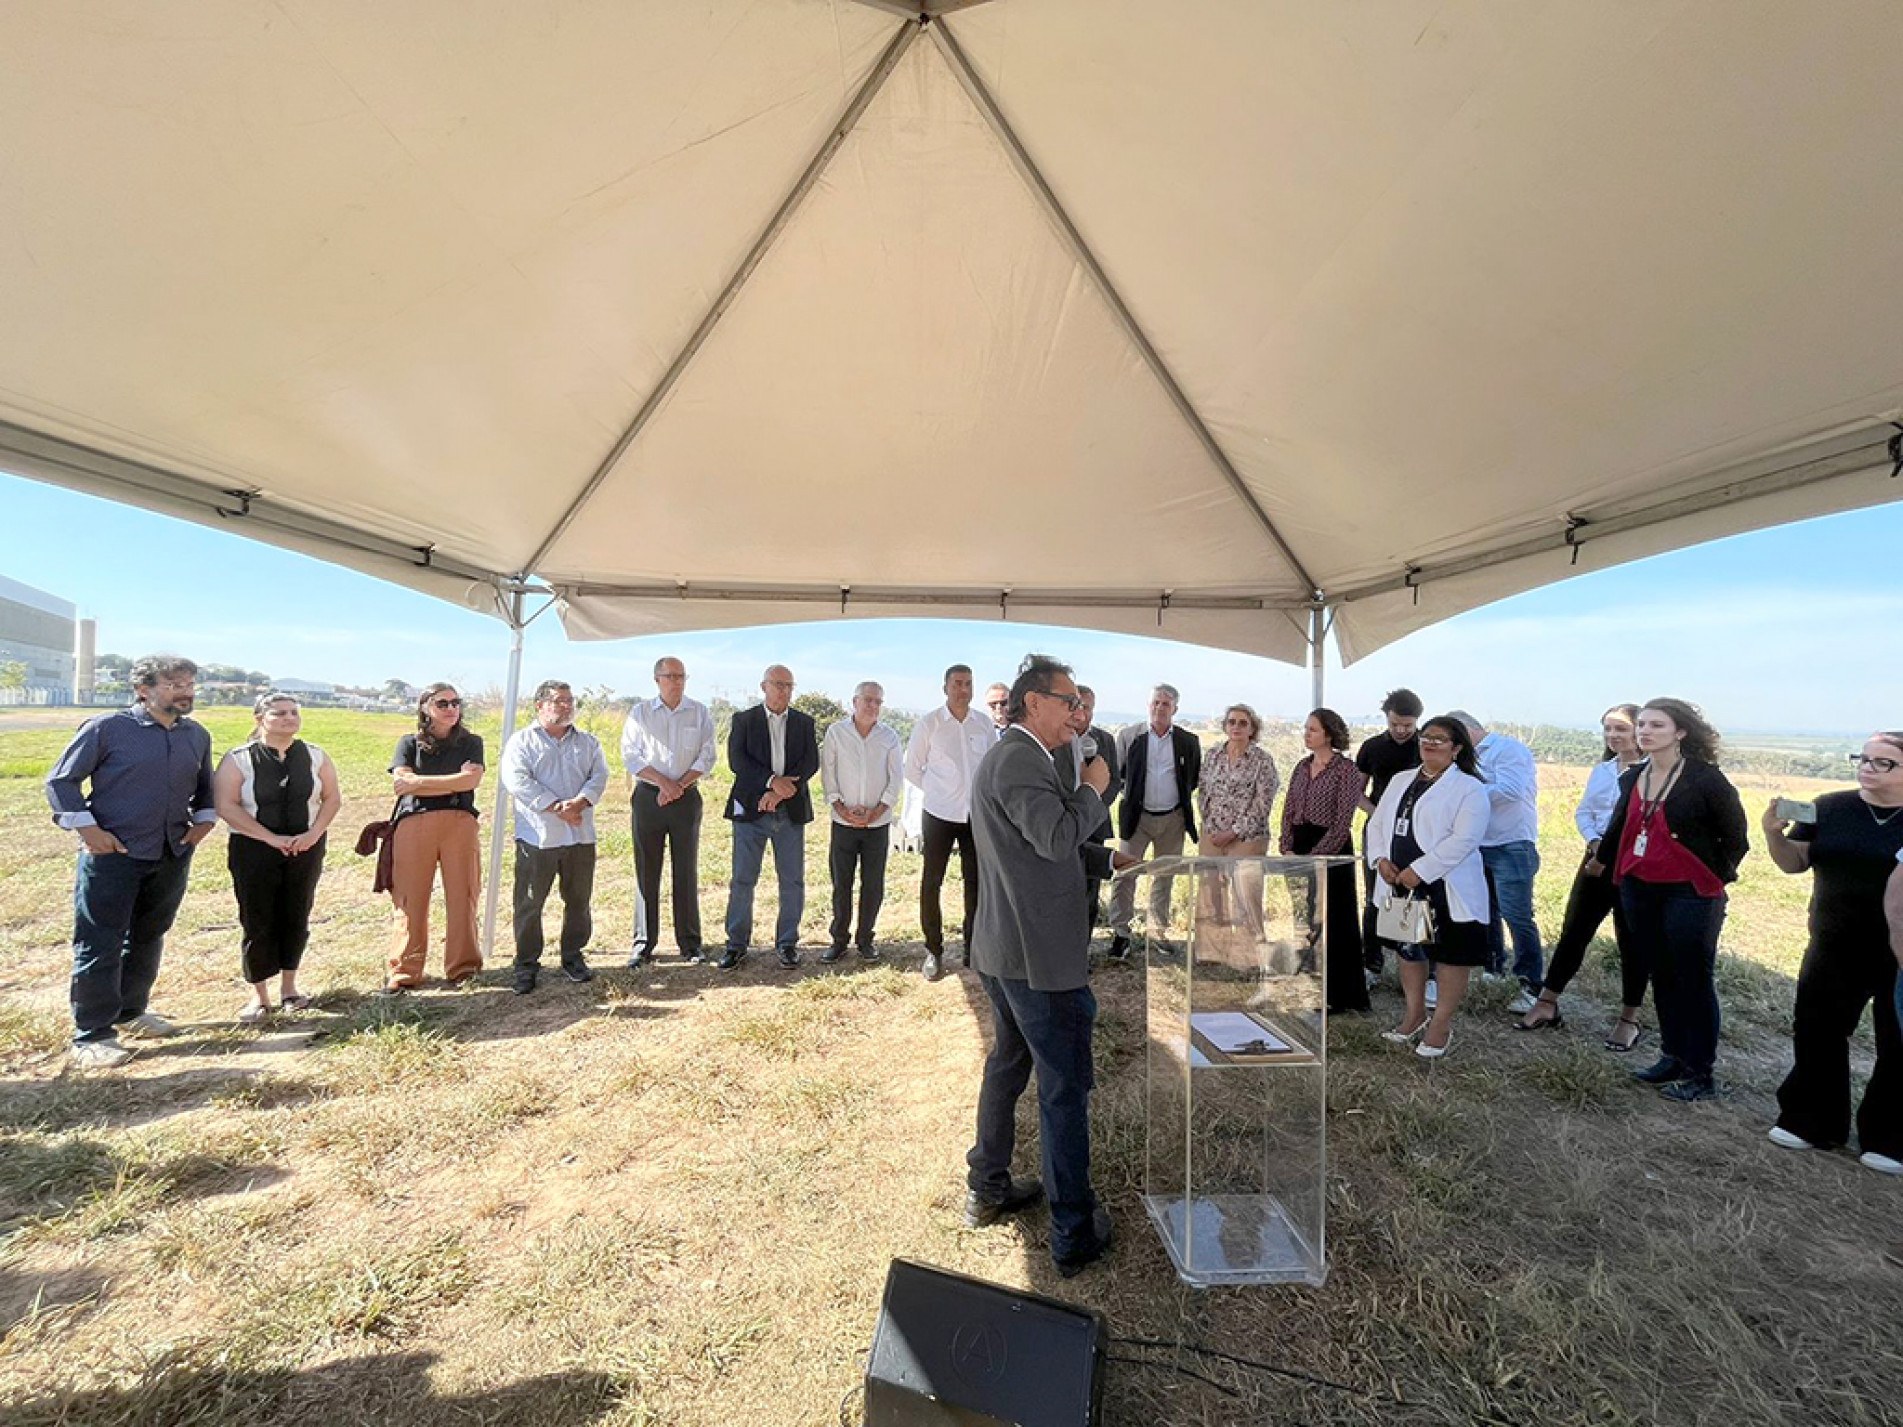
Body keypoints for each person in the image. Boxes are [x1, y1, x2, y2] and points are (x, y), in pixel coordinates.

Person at [963, 654, 1122, 1277]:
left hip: (1008, 950)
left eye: (1079, 704)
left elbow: (1037, 847)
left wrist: (1107, 861)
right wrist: (1094, 789)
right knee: (1064, 1089)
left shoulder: (1023, 757)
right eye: (1068, 702)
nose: (1077, 714)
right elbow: (1055, 836)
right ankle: (1072, 1232)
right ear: (1034, 702)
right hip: (1036, 958)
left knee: (1008, 1065)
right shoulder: (1020, 759)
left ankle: (989, 1185)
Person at [45, 654, 217, 1066]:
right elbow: (61, 781)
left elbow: (205, 787)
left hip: (170, 852)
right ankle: (92, 1034)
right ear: (143, 690)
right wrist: (88, 830)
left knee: (148, 934)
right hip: (114, 855)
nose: (186, 692)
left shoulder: (196, 734)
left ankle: (131, 1011)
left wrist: (205, 821)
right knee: (100, 941)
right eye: (174, 685)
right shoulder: (107, 728)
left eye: (189, 684)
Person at [1762, 732, 1903, 1174]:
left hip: (1899, 950)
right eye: (1864, 758)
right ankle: (1812, 1120)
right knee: (1817, 1029)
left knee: (1897, 1041)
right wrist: (1773, 835)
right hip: (1833, 942)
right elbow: (1795, 862)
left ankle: (1889, 1136)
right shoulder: (1830, 807)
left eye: (1884, 762)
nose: (1867, 767)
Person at [1596, 698, 1748, 1103]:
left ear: (1680, 732)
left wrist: (1712, 875)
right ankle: (1673, 1056)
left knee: (1692, 977)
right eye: (1642, 724)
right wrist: (1608, 864)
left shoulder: (1705, 780)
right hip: (1639, 886)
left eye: (1656, 725)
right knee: (1661, 972)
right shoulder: (1633, 777)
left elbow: (1736, 837)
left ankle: (1700, 1072)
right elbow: (1621, 827)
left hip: (1690, 891)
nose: (1645, 732)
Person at [1366, 715, 1491, 1057]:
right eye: (1426, 737)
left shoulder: (1470, 788)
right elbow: (1377, 824)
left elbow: (1465, 839)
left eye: (1439, 739)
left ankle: (1440, 1025)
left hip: (1445, 884)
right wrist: (1380, 859)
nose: (1430, 744)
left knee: (1451, 956)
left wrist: (1421, 870)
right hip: (1399, 880)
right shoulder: (1401, 780)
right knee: (1409, 950)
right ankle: (1414, 1014)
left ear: (1457, 748)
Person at [213, 691, 342, 1023]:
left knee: (296, 913)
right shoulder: (239, 759)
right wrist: (270, 838)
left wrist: (313, 834)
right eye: (279, 713)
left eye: (294, 713)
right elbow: (226, 805)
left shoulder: (315, 756)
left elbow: (331, 798)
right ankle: (259, 996)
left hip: (305, 847)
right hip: (253, 848)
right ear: (260, 719)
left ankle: (290, 988)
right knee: (257, 918)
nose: (288, 718)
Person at [1515, 705, 1643, 1037]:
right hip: (1595, 859)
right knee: (1574, 931)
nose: (1613, 735)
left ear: (1638, 731)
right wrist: (1595, 841)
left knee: (1632, 940)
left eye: (1621, 729)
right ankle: (1547, 1003)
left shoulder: (1651, 773)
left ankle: (1629, 1019)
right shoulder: (1603, 771)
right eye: (1608, 729)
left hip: (1633, 863)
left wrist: (1611, 847)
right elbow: (1584, 812)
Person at [501, 680, 609, 995]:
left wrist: (580, 803)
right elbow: (516, 779)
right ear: (540, 705)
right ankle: (526, 964)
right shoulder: (522, 741)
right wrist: (556, 806)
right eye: (559, 701)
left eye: (569, 700)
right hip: (538, 836)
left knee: (578, 900)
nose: (566, 706)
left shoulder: (588, 742)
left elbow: (599, 776)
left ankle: (573, 956)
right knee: (530, 902)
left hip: (579, 835)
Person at [385, 684, 486, 992]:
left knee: (463, 895)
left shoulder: (471, 742)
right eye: (442, 703)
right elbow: (401, 782)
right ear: (425, 707)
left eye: (456, 702)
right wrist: (453, 781)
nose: (451, 708)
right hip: (413, 824)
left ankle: (464, 968)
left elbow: (471, 780)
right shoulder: (408, 743)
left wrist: (420, 783)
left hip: (460, 823)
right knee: (410, 900)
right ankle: (405, 972)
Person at [721, 665, 819, 971]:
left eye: (789, 685)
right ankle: (736, 944)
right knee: (743, 879)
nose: (784, 690)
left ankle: (787, 943)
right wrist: (770, 782)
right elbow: (737, 761)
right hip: (752, 811)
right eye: (778, 684)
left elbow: (810, 763)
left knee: (792, 880)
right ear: (764, 686)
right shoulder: (744, 720)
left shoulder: (804, 722)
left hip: (790, 811)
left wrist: (779, 793)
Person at [620, 657, 716, 965]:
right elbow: (630, 755)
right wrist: (663, 783)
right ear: (656, 679)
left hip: (686, 798)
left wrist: (679, 786)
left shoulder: (699, 712)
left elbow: (707, 755)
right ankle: (643, 944)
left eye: (681, 676)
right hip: (649, 798)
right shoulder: (641, 713)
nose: (676, 681)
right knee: (646, 869)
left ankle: (690, 943)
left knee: (685, 869)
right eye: (670, 676)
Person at [904, 664, 995, 981]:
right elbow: (912, 769)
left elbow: (991, 768)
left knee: (976, 883)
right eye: (957, 683)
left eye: (968, 683)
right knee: (932, 882)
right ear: (945, 688)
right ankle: (933, 949)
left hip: (975, 816)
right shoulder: (929, 724)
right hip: (939, 815)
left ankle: (974, 948)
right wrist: (939, 793)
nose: (963, 689)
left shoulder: (983, 724)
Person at [1450, 711, 1544, 1011]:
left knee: (1517, 915)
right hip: (1479, 843)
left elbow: (1511, 790)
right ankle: (1493, 968)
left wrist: (1465, 792)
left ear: (1468, 729)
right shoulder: (1464, 758)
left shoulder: (1508, 749)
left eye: (1455, 736)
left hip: (1511, 843)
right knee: (1485, 911)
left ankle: (1530, 983)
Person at [1279, 708, 1368, 1013]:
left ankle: (1340, 995)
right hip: (1300, 845)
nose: (1306, 734)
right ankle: (1310, 983)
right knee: (1306, 916)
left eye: (1313, 729)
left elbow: (1343, 821)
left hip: (1332, 848)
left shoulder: (1346, 770)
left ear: (1329, 734)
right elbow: (1289, 809)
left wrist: (1318, 857)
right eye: (1306, 728)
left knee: (1336, 919)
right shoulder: (1302, 767)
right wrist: (1287, 846)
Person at [1109, 683, 1202, 958]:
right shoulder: (1129, 737)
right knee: (1125, 874)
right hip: (1137, 818)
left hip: (1173, 819)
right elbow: (1118, 773)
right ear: (1148, 705)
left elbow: (1192, 778)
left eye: (1165, 704)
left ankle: (1157, 932)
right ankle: (1120, 933)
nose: (1159, 708)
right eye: (1156, 702)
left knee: (1165, 876)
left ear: (1175, 709)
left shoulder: (1188, 741)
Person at [820, 681, 904, 962]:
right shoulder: (836, 732)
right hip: (842, 822)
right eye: (868, 700)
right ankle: (839, 940)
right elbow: (828, 773)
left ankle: (866, 939)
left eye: (878, 702)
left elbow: (896, 779)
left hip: (877, 825)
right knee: (841, 883)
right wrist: (841, 809)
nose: (873, 706)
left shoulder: (889, 736)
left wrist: (875, 812)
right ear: (854, 702)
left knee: (873, 884)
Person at [1197, 704, 1280, 944]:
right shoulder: (1213, 755)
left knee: (1246, 897)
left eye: (1243, 723)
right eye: (1232, 722)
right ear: (1225, 726)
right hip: (1212, 836)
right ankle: (1213, 951)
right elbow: (1203, 792)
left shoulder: (1262, 760)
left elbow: (1263, 804)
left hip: (1247, 839)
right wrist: (1211, 827)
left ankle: (1248, 952)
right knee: (1211, 895)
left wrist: (1233, 831)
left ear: (1252, 729)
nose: (1236, 727)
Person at [1355, 689, 1423, 976]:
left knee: (1415, 895)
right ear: (1386, 718)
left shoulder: (1425, 746)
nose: (1401, 730)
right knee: (1375, 894)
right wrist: (1378, 814)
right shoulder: (1371, 747)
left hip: (1417, 832)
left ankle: (1416, 965)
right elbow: (1356, 792)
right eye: (1395, 724)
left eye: (1408, 725)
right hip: (1378, 830)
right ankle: (1371, 963)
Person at [1057, 684, 1122, 928]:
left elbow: (1114, 781)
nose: (1082, 713)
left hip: (1094, 823)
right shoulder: (1057, 738)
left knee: (1090, 887)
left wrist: (1093, 806)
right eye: (1077, 706)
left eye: (1088, 707)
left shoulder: (1104, 740)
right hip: (1062, 822)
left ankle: (1084, 943)